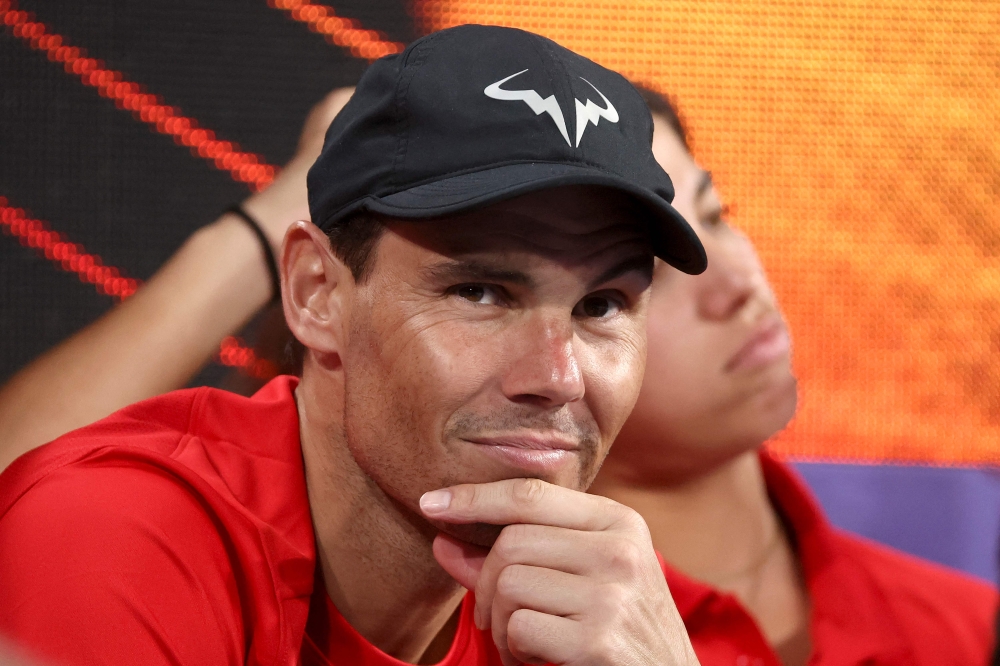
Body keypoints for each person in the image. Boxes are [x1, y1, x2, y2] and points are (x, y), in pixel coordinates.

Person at [0, 24, 705, 666]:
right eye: (481, 292)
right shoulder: (111, 539)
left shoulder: (611, 607)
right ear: (317, 293)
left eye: (601, 305)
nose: (558, 376)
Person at [589, 86, 998, 666]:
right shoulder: (488, 645)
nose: (736, 283)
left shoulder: (969, 631)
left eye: (717, 215)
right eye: (652, 273)